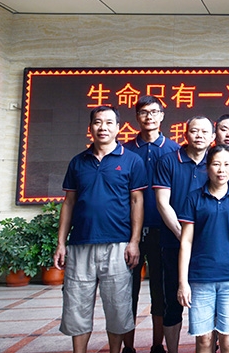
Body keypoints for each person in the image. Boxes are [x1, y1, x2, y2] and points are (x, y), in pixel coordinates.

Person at [54, 105, 147, 353]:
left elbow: (137, 201)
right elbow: (69, 203)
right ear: (90, 127)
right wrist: (61, 243)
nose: (102, 127)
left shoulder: (132, 160)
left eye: (108, 123)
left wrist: (134, 241)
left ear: (118, 128)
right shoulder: (78, 162)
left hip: (118, 244)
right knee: (76, 306)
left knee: (117, 307)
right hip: (80, 244)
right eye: (97, 122)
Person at [177, 145, 229, 353]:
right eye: (216, 164)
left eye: (227, 164)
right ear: (207, 167)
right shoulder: (194, 198)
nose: (222, 169)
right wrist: (183, 282)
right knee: (204, 340)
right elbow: (186, 242)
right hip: (200, 278)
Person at [125, 96, 180, 353]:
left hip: (163, 232)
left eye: (154, 112)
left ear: (162, 116)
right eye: (144, 112)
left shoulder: (174, 151)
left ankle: (157, 345)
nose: (149, 117)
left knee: (161, 292)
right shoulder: (125, 150)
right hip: (129, 234)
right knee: (128, 293)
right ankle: (128, 347)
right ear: (137, 117)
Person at [154, 116, 213, 353]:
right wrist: (183, 236)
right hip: (173, 243)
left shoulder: (217, 161)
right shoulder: (168, 161)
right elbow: (162, 203)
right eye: (194, 131)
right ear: (185, 134)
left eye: (205, 132)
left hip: (209, 247)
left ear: (213, 137)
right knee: (172, 301)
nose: (199, 135)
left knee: (210, 302)